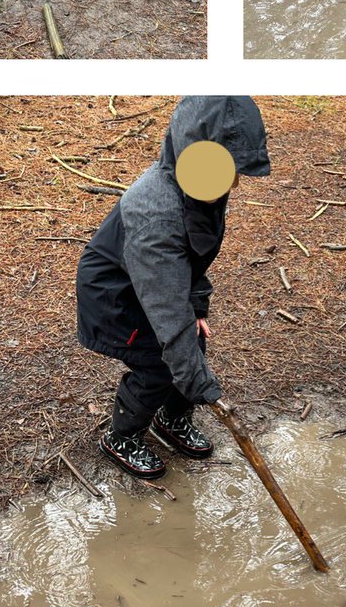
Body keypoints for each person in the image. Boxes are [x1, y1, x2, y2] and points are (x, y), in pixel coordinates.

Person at [76, 97, 270, 479]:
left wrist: (197, 306)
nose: (231, 183)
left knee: (191, 344)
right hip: (115, 296)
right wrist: (206, 389)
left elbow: (192, 256)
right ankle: (122, 437)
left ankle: (171, 418)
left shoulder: (201, 184)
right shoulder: (156, 214)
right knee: (159, 365)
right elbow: (166, 308)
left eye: (234, 171)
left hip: (155, 284)